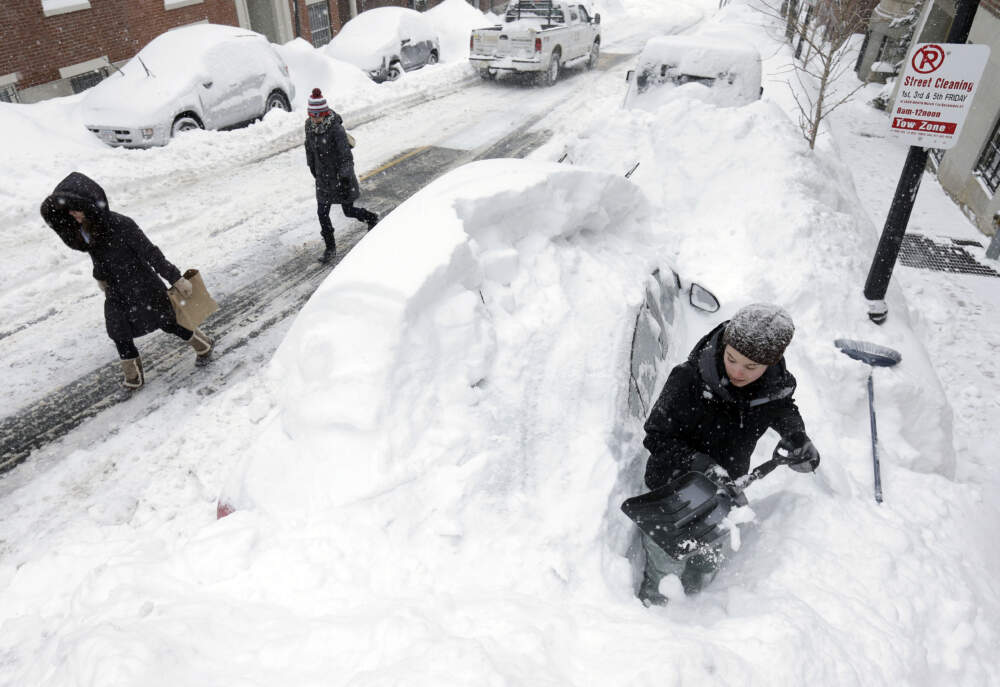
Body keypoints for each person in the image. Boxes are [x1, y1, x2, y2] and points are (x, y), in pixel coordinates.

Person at [638, 303, 820, 604]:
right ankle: (656, 612)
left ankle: (698, 607)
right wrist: (701, 465)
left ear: (771, 363)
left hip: (724, 494)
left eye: (751, 367)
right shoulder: (687, 380)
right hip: (671, 491)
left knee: (707, 562)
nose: (738, 371)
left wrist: (795, 434)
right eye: (732, 359)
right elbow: (656, 436)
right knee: (667, 567)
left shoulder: (772, 386)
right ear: (724, 345)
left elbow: (783, 408)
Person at [40, 172, 213, 390]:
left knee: (169, 323)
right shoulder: (85, 230)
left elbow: (152, 253)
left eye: (76, 209)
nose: (74, 215)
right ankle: (133, 379)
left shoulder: (122, 224)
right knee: (118, 331)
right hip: (116, 290)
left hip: (144, 285)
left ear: (89, 205)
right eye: (69, 212)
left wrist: (175, 278)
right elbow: (98, 258)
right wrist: (100, 278)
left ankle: (203, 345)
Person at [303, 88, 379, 264]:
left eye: (318, 115)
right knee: (322, 213)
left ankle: (372, 218)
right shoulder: (309, 126)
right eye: (312, 115)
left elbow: (346, 157)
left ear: (324, 113)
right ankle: (330, 249)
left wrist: (344, 178)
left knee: (348, 211)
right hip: (323, 179)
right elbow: (309, 150)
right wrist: (313, 169)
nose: (315, 119)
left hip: (340, 178)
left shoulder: (335, 130)